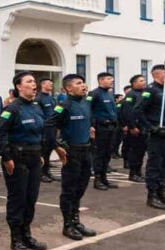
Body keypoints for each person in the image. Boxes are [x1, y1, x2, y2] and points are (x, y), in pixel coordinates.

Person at [0, 71, 49, 250]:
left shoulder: (36, 107)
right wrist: (6, 157)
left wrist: (40, 153)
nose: (34, 84)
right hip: (18, 159)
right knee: (18, 199)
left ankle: (26, 235)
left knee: (31, 198)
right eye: (29, 81)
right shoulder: (12, 109)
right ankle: (16, 238)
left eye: (34, 82)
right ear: (19, 86)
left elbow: (39, 133)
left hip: (34, 158)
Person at [44, 74, 98, 241]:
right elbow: (49, 125)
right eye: (79, 83)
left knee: (81, 188)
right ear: (68, 88)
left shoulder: (86, 103)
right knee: (69, 190)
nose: (84, 85)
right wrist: (56, 146)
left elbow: (88, 122)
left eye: (83, 82)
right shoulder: (63, 106)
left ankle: (76, 221)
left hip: (86, 150)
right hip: (71, 152)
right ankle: (67, 225)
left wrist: (90, 131)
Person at [133, 65, 165, 209]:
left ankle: (161, 193)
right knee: (155, 164)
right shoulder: (150, 90)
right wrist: (151, 128)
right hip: (156, 133)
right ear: (157, 74)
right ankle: (152, 195)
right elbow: (138, 111)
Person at [89, 72, 119, 190]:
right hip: (100, 128)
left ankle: (104, 178)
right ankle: (97, 180)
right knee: (99, 154)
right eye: (109, 79)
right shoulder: (94, 93)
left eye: (112, 78)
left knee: (107, 154)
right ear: (101, 80)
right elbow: (88, 110)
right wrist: (91, 126)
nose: (112, 81)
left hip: (111, 127)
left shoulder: (110, 93)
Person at [119, 75, 147, 183]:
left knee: (141, 151)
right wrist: (132, 126)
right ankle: (133, 173)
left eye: (144, 80)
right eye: (141, 81)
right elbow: (127, 112)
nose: (144, 82)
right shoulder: (131, 95)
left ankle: (138, 172)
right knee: (135, 151)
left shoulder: (143, 93)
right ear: (134, 83)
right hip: (135, 127)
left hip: (143, 126)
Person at [36, 78, 57, 183]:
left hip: (53, 128)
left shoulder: (52, 98)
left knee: (48, 151)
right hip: (44, 129)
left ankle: (47, 171)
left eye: (52, 84)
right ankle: (41, 173)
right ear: (43, 85)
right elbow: (38, 114)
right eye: (49, 84)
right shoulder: (38, 98)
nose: (51, 85)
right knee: (43, 151)